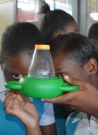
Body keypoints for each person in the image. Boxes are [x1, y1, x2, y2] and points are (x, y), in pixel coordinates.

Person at [0, 22, 56, 135]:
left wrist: (33, 126)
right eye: (15, 76)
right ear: (2, 61)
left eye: (31, 77)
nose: (22, 84)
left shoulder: (43, 84)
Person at [4, 33, 98, 135]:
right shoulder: (73, 121)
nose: (55, 85)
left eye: (61, 74)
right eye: (51, 77)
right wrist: (33, 127)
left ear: (91, 66)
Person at [39, 2, 78, 134]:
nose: (78, 37)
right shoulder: (54, 64)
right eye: (75, 32)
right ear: (60, 35)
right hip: (58, 122)